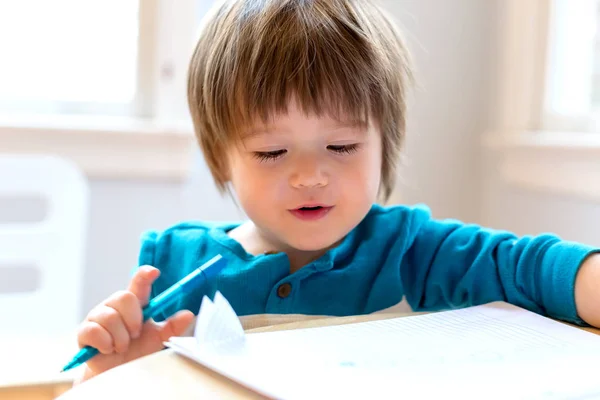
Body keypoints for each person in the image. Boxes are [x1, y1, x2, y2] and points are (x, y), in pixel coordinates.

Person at [74, 0, 600, 383]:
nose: (310, 176)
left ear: (383, 144)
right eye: (272, 153)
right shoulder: (174, 263)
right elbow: (99, 386)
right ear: (221, 156)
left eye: (343, 146)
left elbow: (531, 268)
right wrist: (113, 372)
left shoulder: (413, 252)